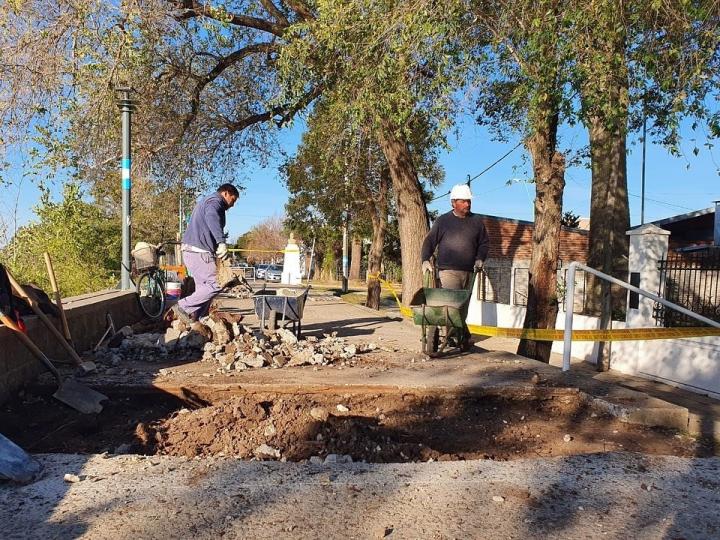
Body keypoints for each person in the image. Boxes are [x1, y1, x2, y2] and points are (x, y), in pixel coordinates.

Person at [420, 183, 489, 347]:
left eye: (469, 201)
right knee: (452, 305)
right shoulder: (443, 221)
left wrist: (480, 258)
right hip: (448, 271)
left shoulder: (477, 222)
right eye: (463, 201)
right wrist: (425, 259)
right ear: (453, 203)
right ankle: (454, 337)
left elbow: (484, 243)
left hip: (469, 271)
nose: (467, 204)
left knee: (463, 307)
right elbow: (430, 241)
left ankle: (460, 334)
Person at [167, 183, 239, 323]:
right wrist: (221, 242)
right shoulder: (215, 202)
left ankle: (198, 319)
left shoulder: (208, 201)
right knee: (218, 283)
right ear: (226, 193)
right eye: (233, 199)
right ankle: (182, 306)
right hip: (198, 252)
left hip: (194, 251)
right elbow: (212, 217)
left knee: (204, 289)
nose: (233, 204)